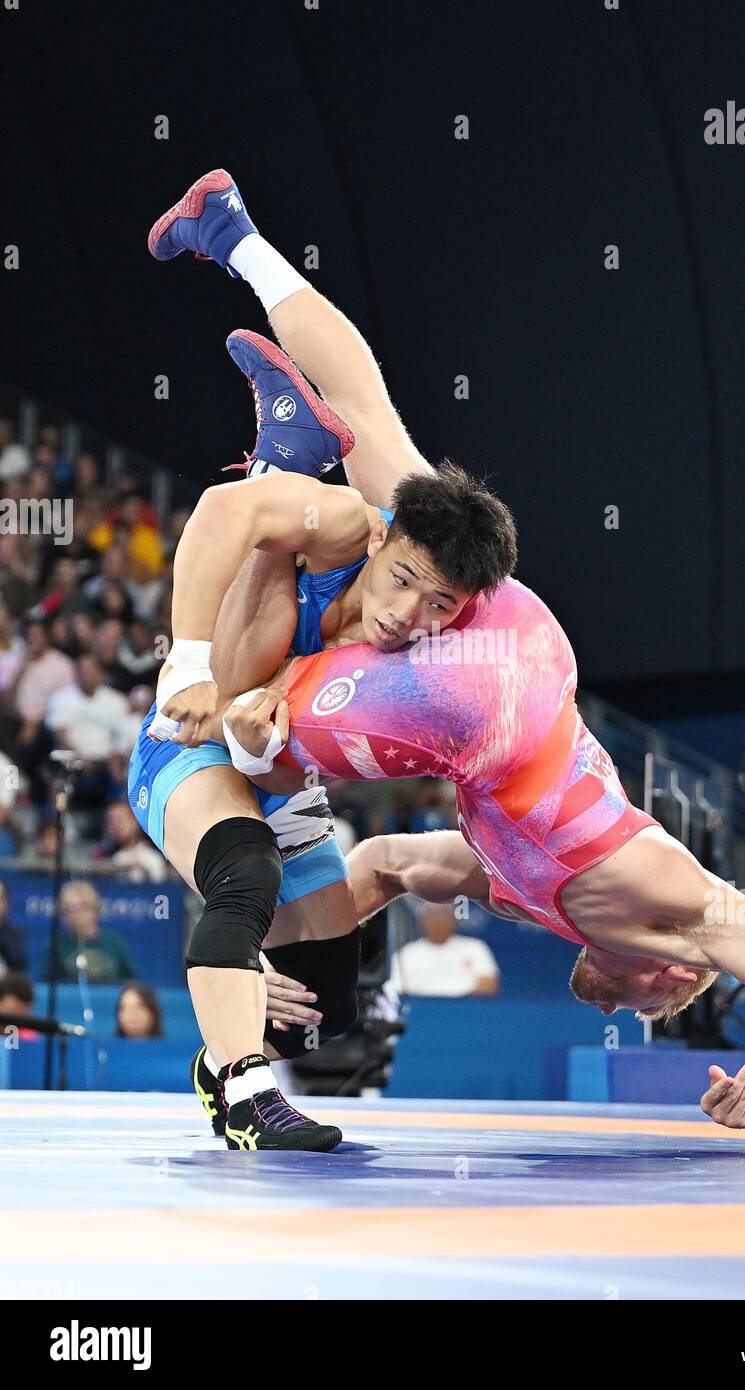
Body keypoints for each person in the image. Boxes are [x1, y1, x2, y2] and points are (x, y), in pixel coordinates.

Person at [148, 169, 745, 1138]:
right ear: (674, 968)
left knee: (366, 411)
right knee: (252, 697)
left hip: (498, 660)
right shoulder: (682, 906)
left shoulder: (539, 901)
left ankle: (233, 237)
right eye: (647, 1005)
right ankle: (279, 465)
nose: (624, 1008)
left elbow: (393, 862)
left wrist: (271, 939)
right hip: (489, 691)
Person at [131, 170, 517, 1150]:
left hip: (276, 747)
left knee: (329, 1004)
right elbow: (215, 518)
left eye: (436, 607)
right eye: (405, 586)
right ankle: (248, 1090)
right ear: (388, 548)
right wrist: (183, 668)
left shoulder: (442, 625)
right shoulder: (371, 521)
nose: (406, 618)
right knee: (243, 874)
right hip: (202, 734)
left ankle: (272, 405)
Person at [389, 901, 500, 997]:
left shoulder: (475, 947)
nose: (437, 920)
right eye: (432, 914)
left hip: (466, 1010)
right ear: (421, 921)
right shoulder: (406, 953)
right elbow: (396, 988)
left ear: (454, 919)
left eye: (444, 913)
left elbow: (488, 985)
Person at [48, 880, 135, 985]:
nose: (73, 915)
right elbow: (46, 985)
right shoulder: (56, 947)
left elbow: (132, 983)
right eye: (67, 910)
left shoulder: (115, 944)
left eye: (79, 908)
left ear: (94, 909)